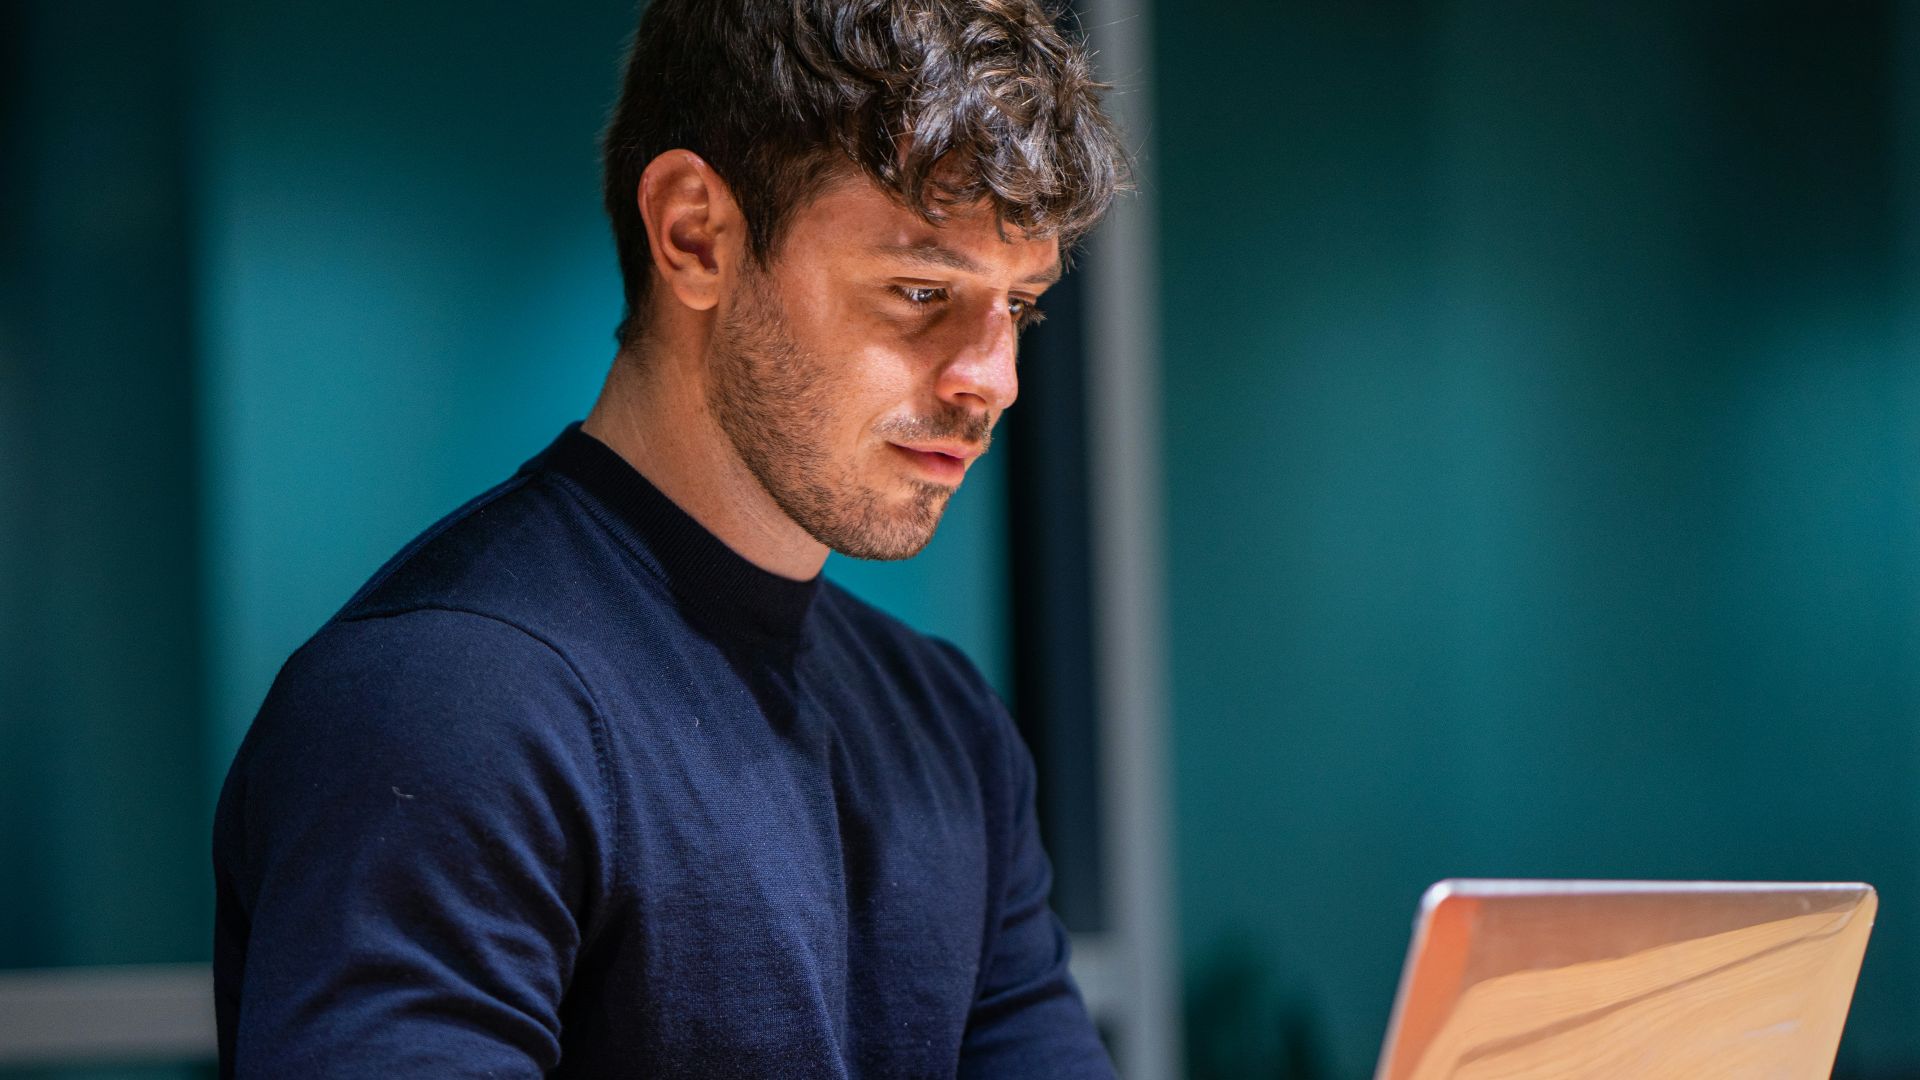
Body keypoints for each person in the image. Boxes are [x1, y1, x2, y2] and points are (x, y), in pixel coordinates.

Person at [210, 0, 1128, 1075]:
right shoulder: (442, 706)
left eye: (1019, 306)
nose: (994, 381)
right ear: (695, 232)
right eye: (921, 291)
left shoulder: (948, 731)